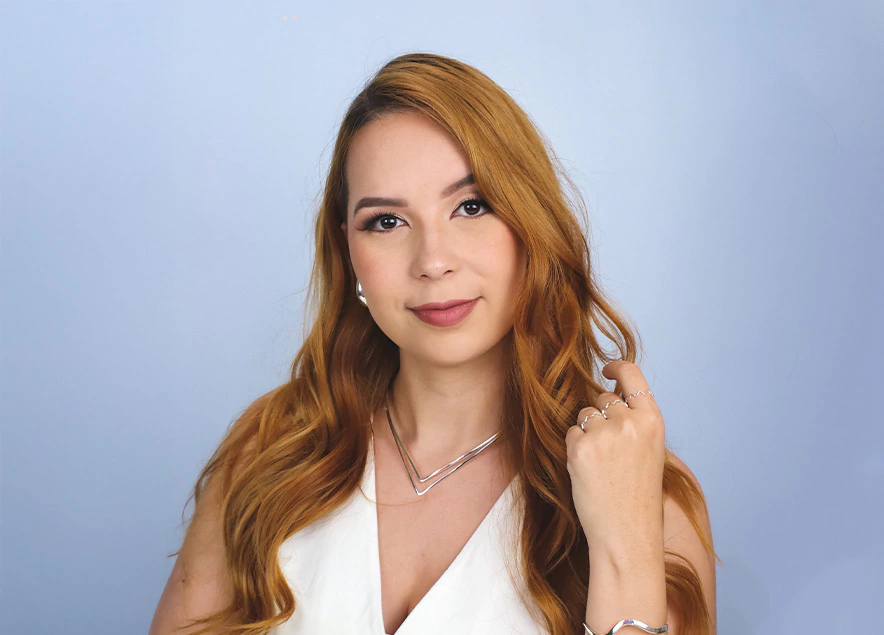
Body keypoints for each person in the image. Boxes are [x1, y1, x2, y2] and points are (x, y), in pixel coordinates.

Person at [149, 52, 719, 635]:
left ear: (532, 222)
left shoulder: (642, 490)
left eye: (472, 206)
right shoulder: (269, 455)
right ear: (349, 252)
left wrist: (624, 547)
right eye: (386, 221)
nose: (433, 261)